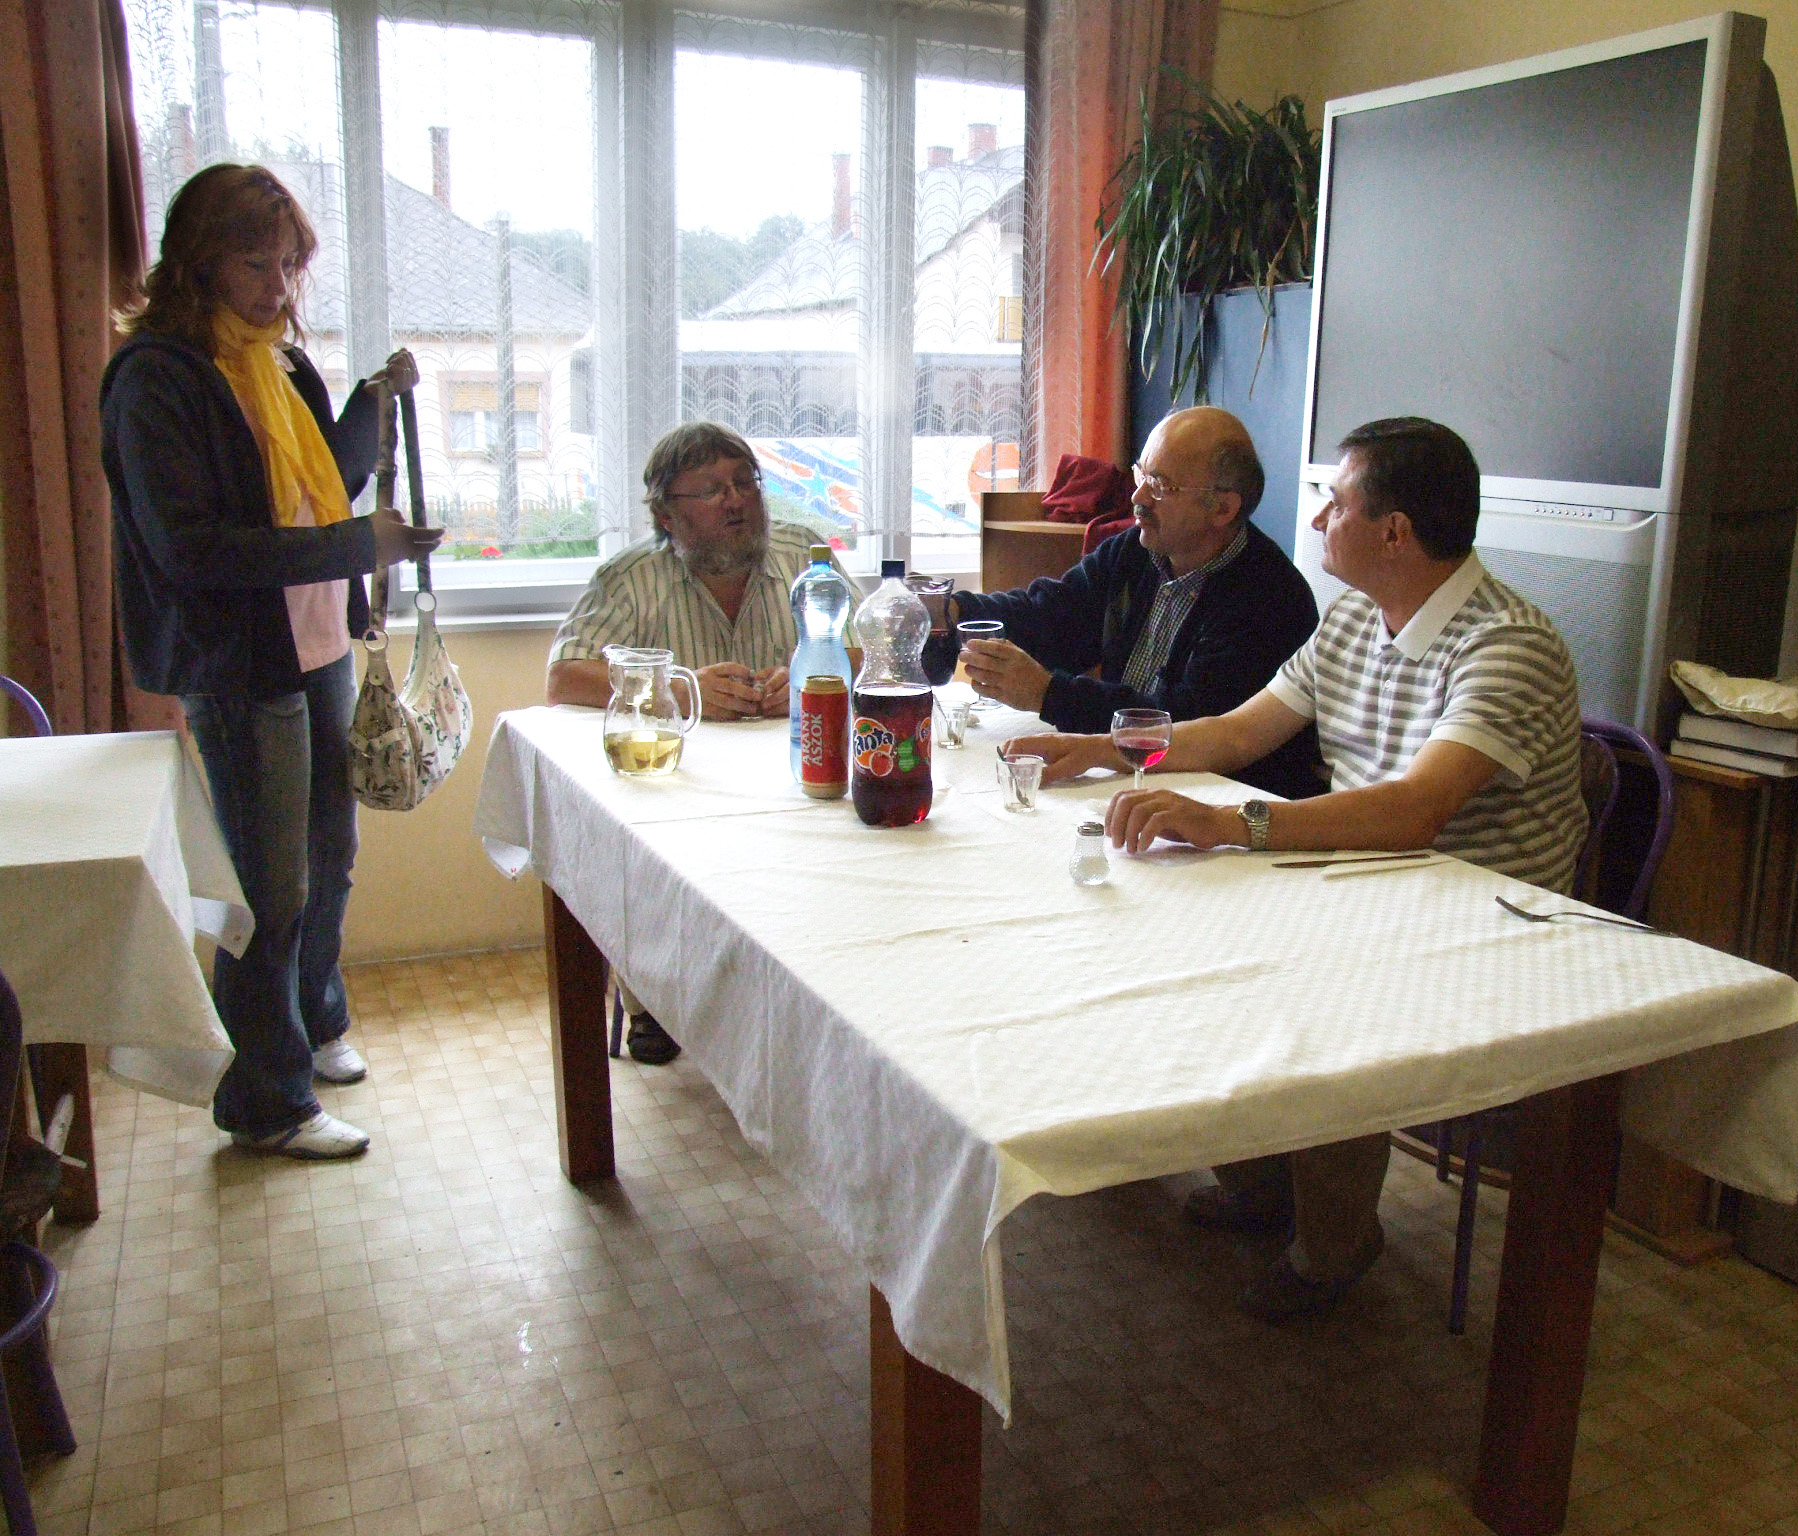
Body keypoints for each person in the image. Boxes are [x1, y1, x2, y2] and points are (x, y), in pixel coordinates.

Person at [1008, 417, 1588, 1321]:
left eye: (1336, 503)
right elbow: (1237, 731)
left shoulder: (1508, 645)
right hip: (1366, 879)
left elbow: (1416, 810)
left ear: (1394, 532)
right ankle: (1262, 1181)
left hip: (1478, 921)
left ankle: (1334, 1246)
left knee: (1318, 990)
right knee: (1179, 930)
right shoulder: (1355, 617)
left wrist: (1230, 824)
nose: (1316, 520)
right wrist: (1095, 748)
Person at [102, 164, 441, 1160]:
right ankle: (266, 1100)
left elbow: (324, 481)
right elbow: (193, 551)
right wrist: (358, 545)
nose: (279, 287)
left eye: (292, 265)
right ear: (198, 261)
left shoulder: (280, 365)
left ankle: (315, 1023)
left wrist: (373, 401)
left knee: (330, 857)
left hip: (315, 642)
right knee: (268, 888)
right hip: (240, 664)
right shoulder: (158, 377)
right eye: (257, 264)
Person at [547, 421, 852, 1063]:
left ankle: (808, 995)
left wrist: (810, 678)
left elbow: (861, 651)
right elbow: (564, 677)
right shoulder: (629, 577)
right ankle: (653, 998)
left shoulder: (805, 559)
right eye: (711, 490)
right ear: (666, 514)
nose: (736, 500)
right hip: (682, 789)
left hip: (792, 782)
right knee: (646, 857)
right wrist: (680, 690)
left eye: (745, 483)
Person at [944, 406, 1323, 799]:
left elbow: (1182, 727)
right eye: (1142, 475)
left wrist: (1048, 694)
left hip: (1226, 799)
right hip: (1133, 779)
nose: (1137, 496)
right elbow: (1053, 615)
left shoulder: (1270, 599)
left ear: (1223, 508)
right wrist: (953, 611)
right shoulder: (1135, 551)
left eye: (1160, 485)